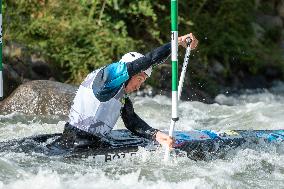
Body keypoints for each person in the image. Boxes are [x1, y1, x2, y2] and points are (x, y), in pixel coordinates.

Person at [58, 33, 198, 150]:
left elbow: (131, 121)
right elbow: (148, 60)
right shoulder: (107, 77)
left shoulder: (119, 93)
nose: (138, 87)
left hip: (85, 141)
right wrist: (177, 42)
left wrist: (156, 135)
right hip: (78, 143)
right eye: (139, 80)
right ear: (129, 72)